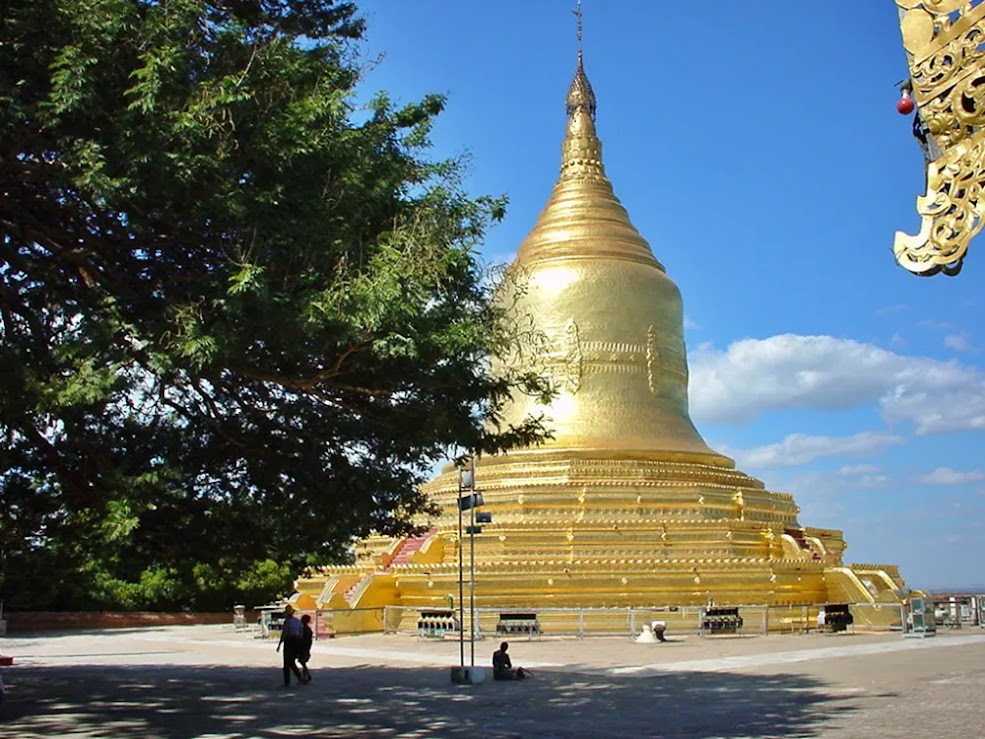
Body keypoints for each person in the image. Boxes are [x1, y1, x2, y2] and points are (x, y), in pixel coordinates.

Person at [276, 605, 304, 687]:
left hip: (289, 641)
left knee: (287, 663)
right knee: (292, 662)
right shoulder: (298, 621)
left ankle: (287, 682)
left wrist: (279, 644)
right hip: (297, 641)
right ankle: (299, 677)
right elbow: (301, 633)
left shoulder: (287, 622)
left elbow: (284, 634)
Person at [298, 614, 314, 684]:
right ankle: (306, 676)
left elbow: (304, 639)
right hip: (305, 647)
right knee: (303, 662)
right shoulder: (306, 628)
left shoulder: (305, 629)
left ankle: (306, 676)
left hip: (304, 647)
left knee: (302, 661)